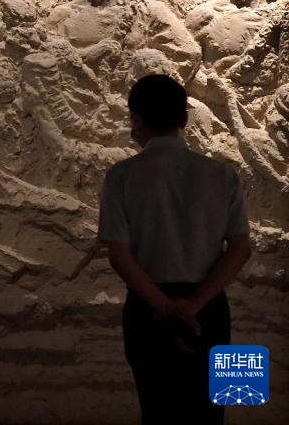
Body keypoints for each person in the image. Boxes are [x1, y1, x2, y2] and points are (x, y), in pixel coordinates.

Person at [98, 74, 252, 424]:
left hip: (148, 306)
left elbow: (119, 256)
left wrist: (168, 307)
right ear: (184, 118)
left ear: (136, 119)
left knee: (157, 411)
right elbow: (240, 249)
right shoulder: (223, 174)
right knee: (215, 410)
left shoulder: (121, 175)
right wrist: (194, 305)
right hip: (211, 308)